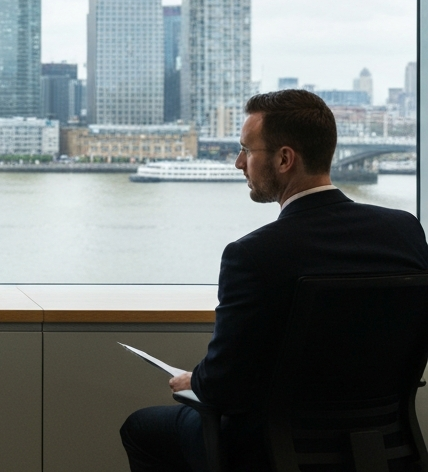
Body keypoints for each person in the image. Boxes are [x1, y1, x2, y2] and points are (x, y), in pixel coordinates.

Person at [120, 89, 428, 472]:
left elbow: (222, 386)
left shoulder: (253, 254)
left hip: (273, 453)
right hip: (384, 445)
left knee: (141, 428)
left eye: (247, 151)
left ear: (284, 159)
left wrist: (193, 379)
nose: (237, 163)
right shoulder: (405, 232)